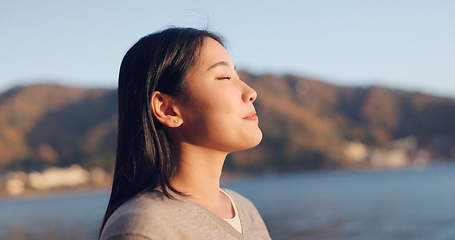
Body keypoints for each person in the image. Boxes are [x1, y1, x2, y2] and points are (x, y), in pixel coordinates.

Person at [99, 27, 271, 240]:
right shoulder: (143, 227)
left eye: (236, 75)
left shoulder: (246, 211)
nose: (251, 92)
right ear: (167, 109)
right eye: (225, 77)